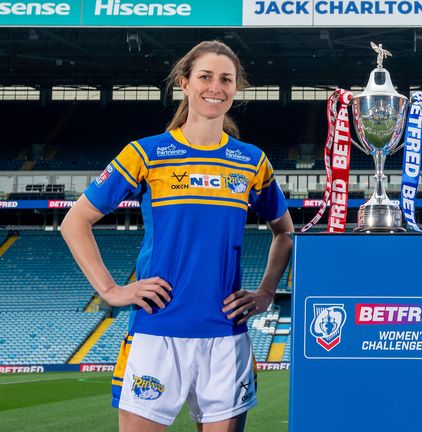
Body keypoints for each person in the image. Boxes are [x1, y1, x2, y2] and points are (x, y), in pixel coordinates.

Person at [61, 40, 293, 432]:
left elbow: (284, 232)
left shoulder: (252, 161)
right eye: (205, 77)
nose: (215, 87)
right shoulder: (146, 154)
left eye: (226, 79)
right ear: (185, 83)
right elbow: (75, 221)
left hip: (226, 337)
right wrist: (111, 290)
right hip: (156, 331)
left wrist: (267, 291)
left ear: (236, 89)